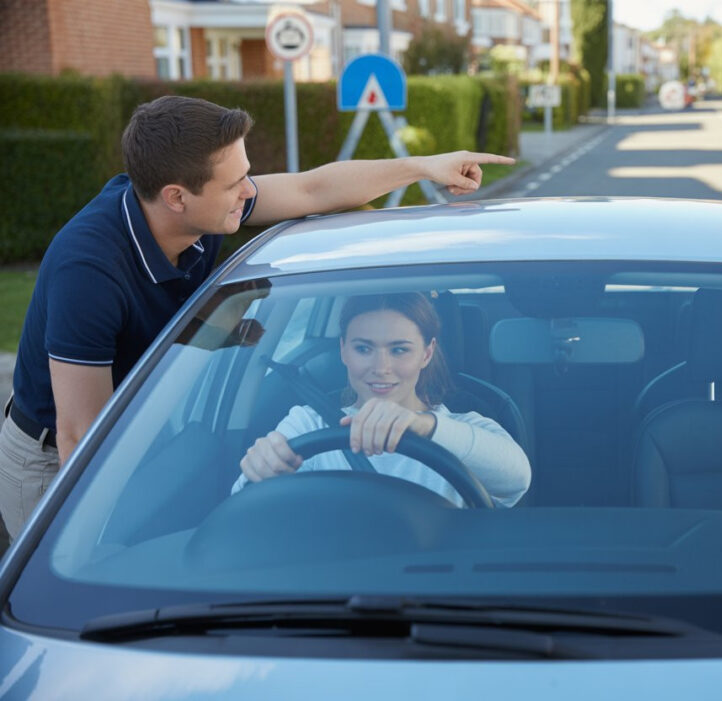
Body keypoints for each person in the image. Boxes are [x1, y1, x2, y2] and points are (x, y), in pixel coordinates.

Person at [0, 95, 514, 542]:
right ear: (177, 197)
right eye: (236, 183)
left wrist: (425, 166)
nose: (250, 191)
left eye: (246, 175)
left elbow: (314, 190)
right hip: (54, 459)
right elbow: (79, 436)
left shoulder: (199, 211)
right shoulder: (88, 270)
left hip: (133, 422)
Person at [234, 293, 531, 508]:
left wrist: (421, 426)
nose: (381, 367)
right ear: (343, 351)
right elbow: (243, 510)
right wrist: (260, 470)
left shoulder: (464, 429)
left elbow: (517, 479)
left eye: (399, 350)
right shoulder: (307, 423)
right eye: (364, 349)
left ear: (426, 354)